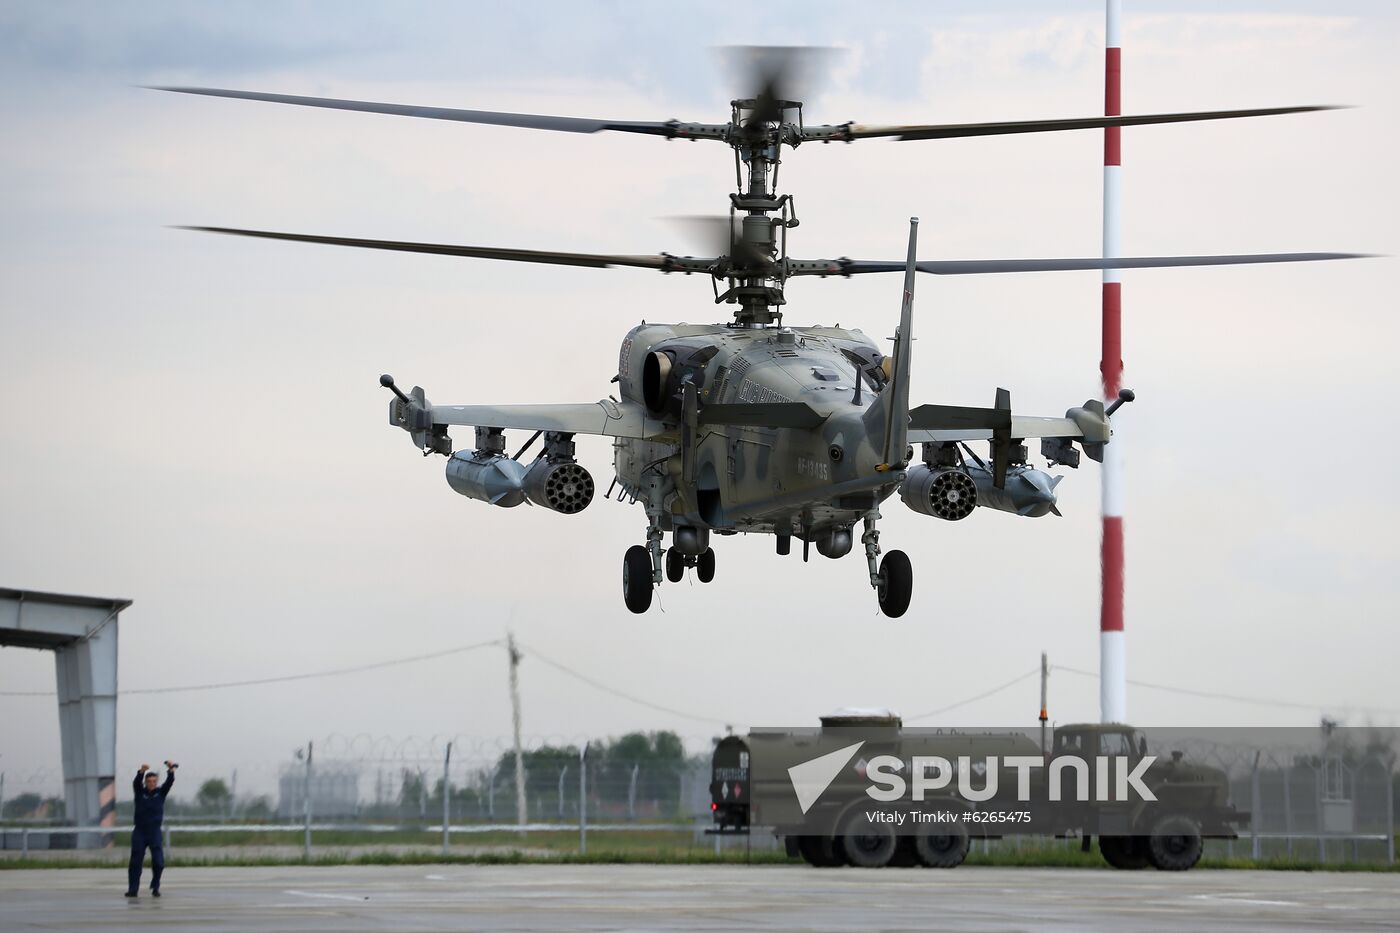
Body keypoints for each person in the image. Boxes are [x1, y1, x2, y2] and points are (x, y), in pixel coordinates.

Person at [125, 760, 176, 898]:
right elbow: (136, 783)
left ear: (156, 782)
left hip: (154, 832)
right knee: (136, 862)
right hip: (140, 832)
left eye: (154, 781)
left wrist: (171, 770)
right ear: (146, 782)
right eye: (149, 781)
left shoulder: (160, 793)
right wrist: (141, 771)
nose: (152, 783)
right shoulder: (140, 793)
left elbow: (169, 783)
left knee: (159, 862)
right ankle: (133, 889)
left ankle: (155, 885)